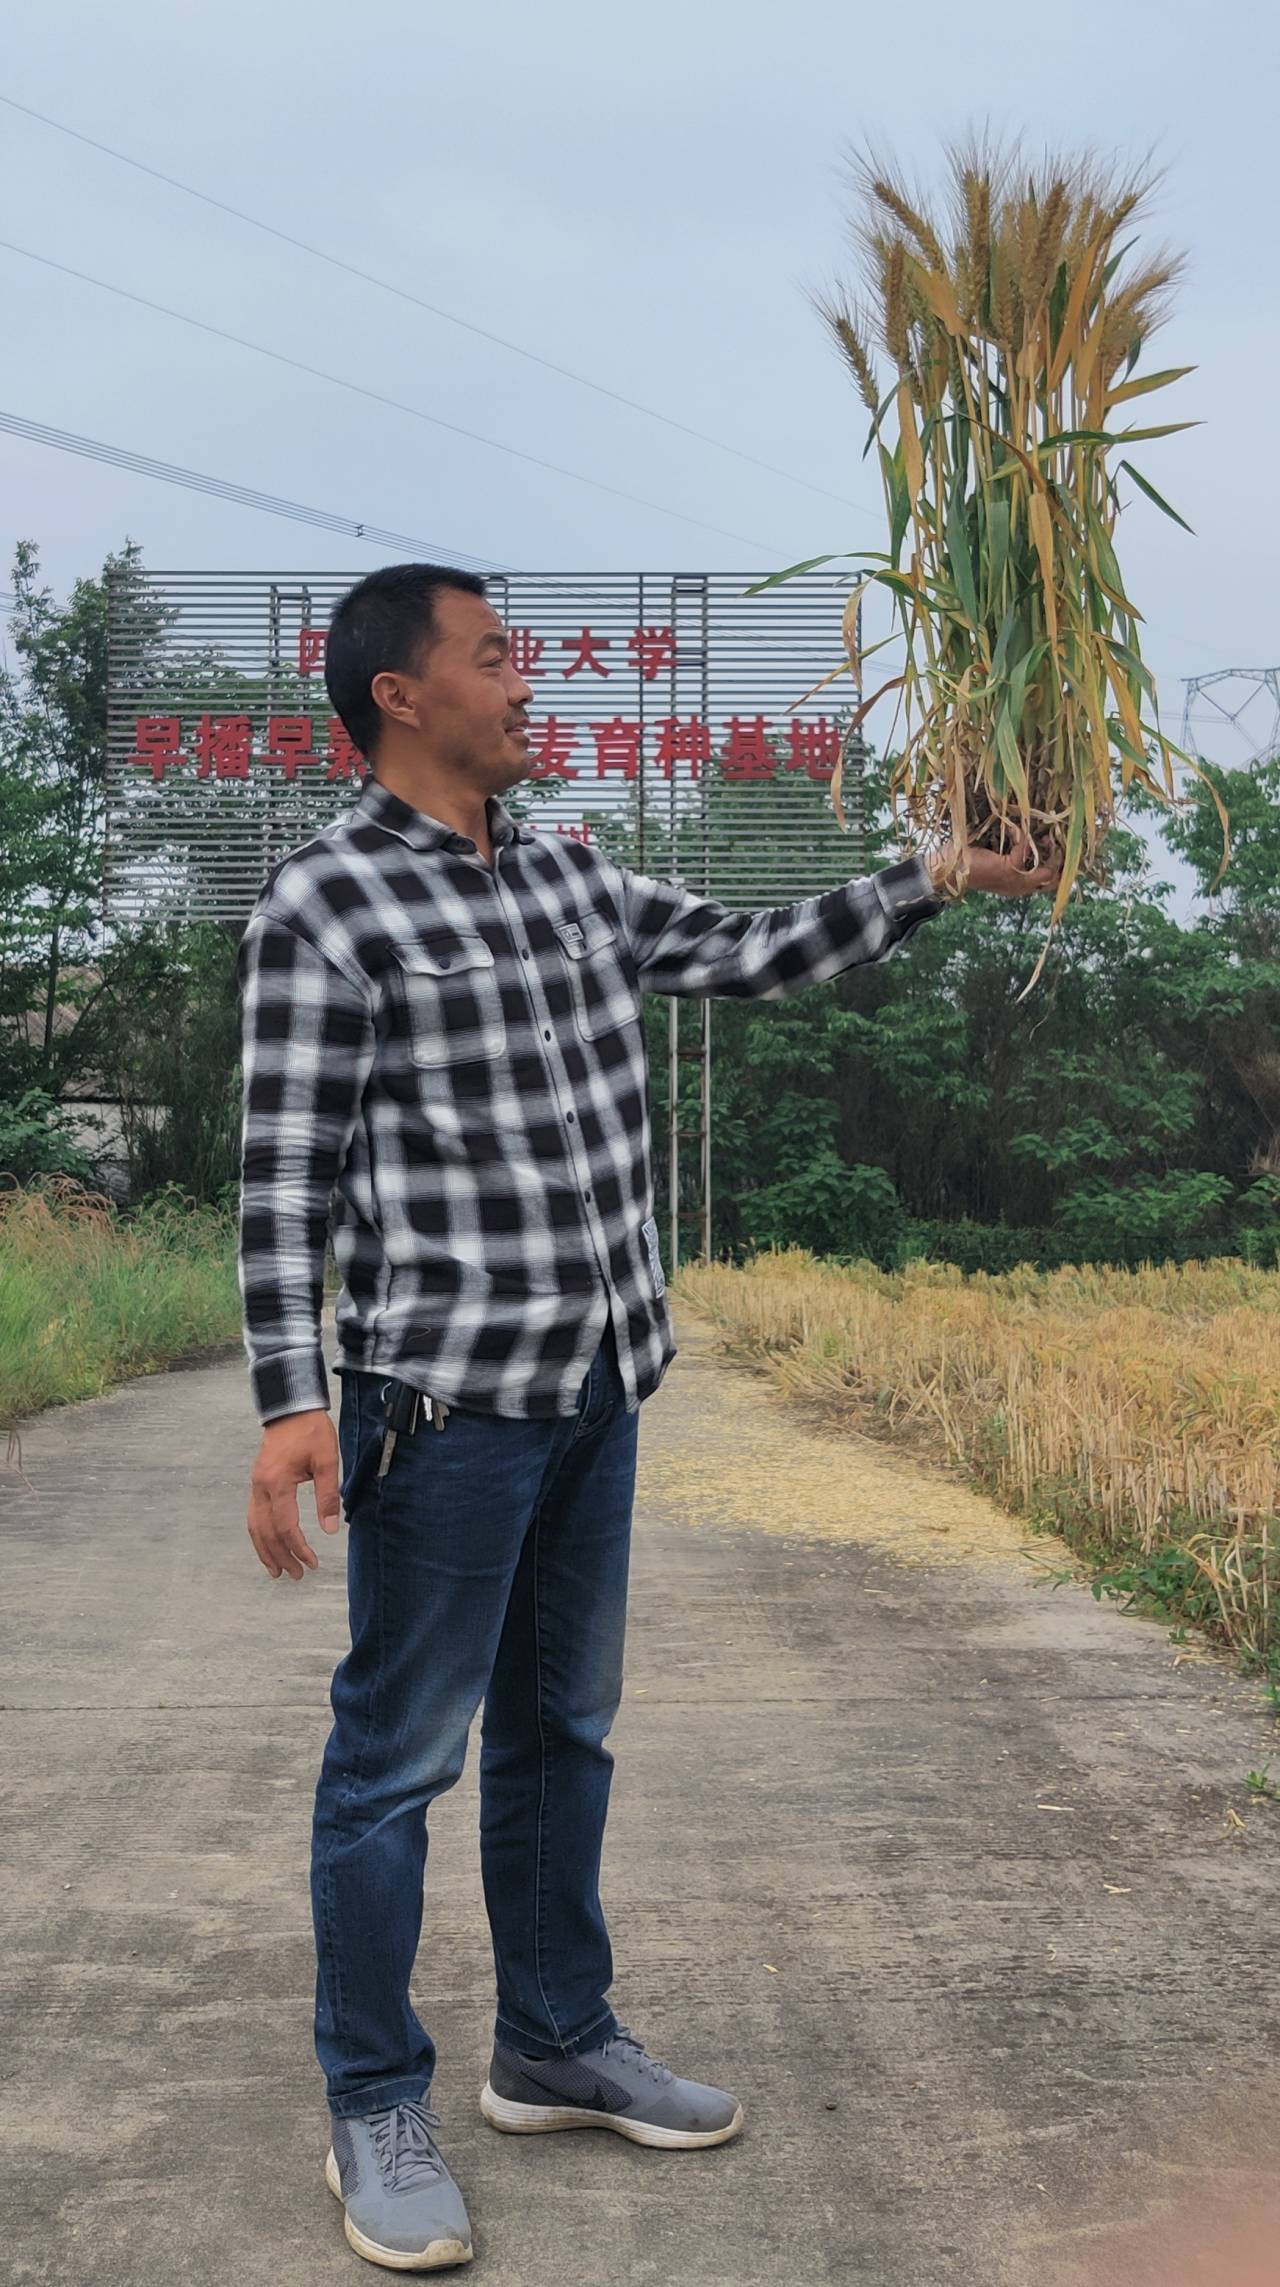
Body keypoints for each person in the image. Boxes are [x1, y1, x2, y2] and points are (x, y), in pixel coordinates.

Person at [237, 562, 1061, 2272]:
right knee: (393, 1765)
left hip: (598, 1384)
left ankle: (555, 2041)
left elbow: (749, 949)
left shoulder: (568, 871)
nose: (526, 682)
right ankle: (373, 2100)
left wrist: (939, 874)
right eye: (495, 656)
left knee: (564, 1732)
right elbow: (283, 1174)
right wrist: (289, 1402)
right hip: (441, 1403)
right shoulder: (324, 902)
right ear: (401, 693)